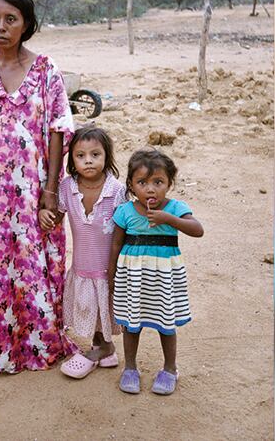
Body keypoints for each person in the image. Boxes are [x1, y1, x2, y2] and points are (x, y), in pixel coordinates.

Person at [0, 0, 78, 373]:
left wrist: (50, 191)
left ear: (26, 24)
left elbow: (58, 130)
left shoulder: (45, 70)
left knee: (36, 263)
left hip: (32, 194)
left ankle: (39, 343)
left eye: (11, 19)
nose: (1, 27)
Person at [110, 149, 204, 395]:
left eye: (158, 182)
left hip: (163, 280)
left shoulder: (175, 208)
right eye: (142, 183)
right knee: (132, 324)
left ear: (169, 184)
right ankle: (130, 368)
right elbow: (116, 244)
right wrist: (111, 276)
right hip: (133, 279)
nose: (150, 189)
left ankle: (170, 369)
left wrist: (169, 219)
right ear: (131, 185)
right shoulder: (125, 211)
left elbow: (197, 229)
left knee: (166, 323)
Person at [45, 125, 126, 379]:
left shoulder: (117, 190)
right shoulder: (68, 187)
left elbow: (125, 229)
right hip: (82, 265)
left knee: (103, 305)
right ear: (72, 159)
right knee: (89, 304)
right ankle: (105, 348)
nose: (88, 160)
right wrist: (46, 216)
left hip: (107, 267)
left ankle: (100, 349)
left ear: (107, 156)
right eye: (80, 155)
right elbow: (57, 215)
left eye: (95, 154)